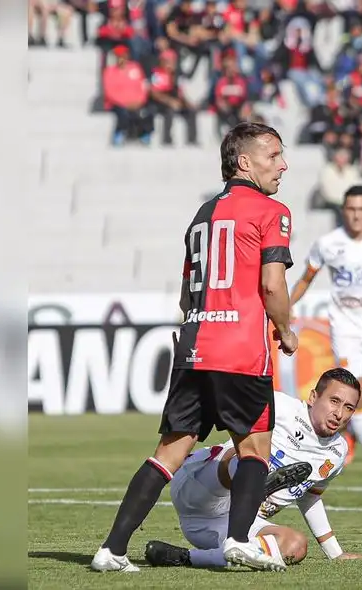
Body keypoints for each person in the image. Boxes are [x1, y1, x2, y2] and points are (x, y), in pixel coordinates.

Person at [91, 122, 299, 573]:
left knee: (169, 451)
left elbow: (187, 295)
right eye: (274, 155)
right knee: (255, 448)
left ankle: (112, 549)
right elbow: (272, 283)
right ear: (245, 162)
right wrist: (285, 328)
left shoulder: (203, 214)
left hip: (194, 344)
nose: (283, 165)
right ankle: (239, 539)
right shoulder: (272, 211)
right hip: (241, 349)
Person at [143, 368, 362, 569]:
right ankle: (255, 483)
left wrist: (335, 553)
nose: (339, 413)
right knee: (248, 458)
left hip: (229, 524)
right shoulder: (279, 405)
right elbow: (225, 399)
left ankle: (186, 557)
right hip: (201, 488)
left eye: (348, 407)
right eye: (334, 401)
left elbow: (310, 497)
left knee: (295, 546)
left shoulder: (337, 452)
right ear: (313, 397)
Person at [290, 185, 362, 475]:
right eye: (351, 209)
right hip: (345, 327)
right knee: (358, 390)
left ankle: (352, 433)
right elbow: (307, 278)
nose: (356, 215)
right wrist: (288, 305)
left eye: (361, 209)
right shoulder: (328, 243)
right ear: (344, 211)